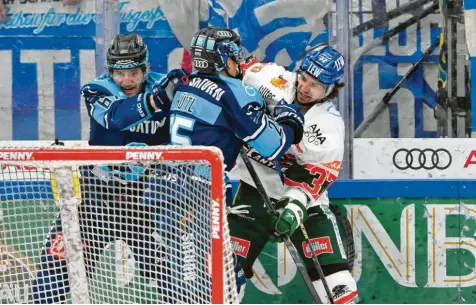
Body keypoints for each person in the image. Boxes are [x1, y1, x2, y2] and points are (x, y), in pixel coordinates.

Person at [33, 34, 187, 303]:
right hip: (95, 204)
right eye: (119, 73)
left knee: (177, 280)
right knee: (53, 274)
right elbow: (115, 117)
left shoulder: (165, 86)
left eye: (133, 73)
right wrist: (154, 102)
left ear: (145, 69)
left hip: (146, 204)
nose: (126, 81)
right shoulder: (96, 89)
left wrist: (194, 87)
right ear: (109, 71)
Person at [169, 26, 305, 300]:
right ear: (222, 59)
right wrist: (291, 121)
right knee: (220, 285)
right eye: (233, 56)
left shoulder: (185, 85)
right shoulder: (234, 92)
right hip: (198, 201)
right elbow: (273, 146)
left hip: (170, 195)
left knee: (205, 283)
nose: (239, 61)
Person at [228, 45, 359, 304]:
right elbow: (231, 73)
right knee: (224, 278)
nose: (305, 88)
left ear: (332, 89)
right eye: (304, 78)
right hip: (254, 194)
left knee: (338, 287)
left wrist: (294, 207)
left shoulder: (330, 128)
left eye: (316, 86)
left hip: (304, 206)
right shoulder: (268, 77)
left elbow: (314, 176)